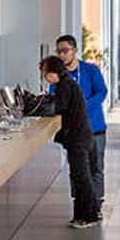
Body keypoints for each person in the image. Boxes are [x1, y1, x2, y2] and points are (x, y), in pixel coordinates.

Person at [40, 53, 100, 228]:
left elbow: (60, 107)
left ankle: (89, 216)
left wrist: (41, 105)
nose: (46, 78)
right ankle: (82, 215)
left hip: (77, 138)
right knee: (79, 177)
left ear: (53, 72)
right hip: (79, 136)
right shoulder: (67, 84)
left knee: (81, 178)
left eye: (46, 74)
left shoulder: (64, 86)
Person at [55, 33, 109, 211]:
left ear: (75, 50)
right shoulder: (59, 77)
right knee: (77, 170)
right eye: (59, 52)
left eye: (65, 51)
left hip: (95, 128)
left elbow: (101, 92)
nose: (62, 55)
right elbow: (55, 99)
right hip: (74, 132)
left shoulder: (90, 70)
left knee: (95, 168)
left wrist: (83, 105)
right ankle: (79, 205)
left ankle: (96, 205)